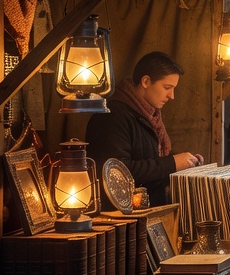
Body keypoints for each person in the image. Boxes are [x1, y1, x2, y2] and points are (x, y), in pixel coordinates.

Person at [85, 51, 204, 207]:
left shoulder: (150, 116)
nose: (172, 96)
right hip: (123, 218)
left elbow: (148, 156)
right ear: (146, 81)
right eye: (167, 87)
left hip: (147, 212)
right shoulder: (112, 116)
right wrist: (172, 163)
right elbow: (115, 172)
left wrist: (186, 162)